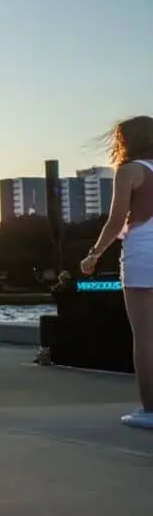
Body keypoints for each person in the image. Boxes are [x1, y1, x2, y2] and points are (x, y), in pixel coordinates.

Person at [81, 115, 153, 429]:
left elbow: (115, 221)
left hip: (143, 254)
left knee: (146, 337)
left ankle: (150, 411)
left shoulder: (129, 171)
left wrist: (94, 253)